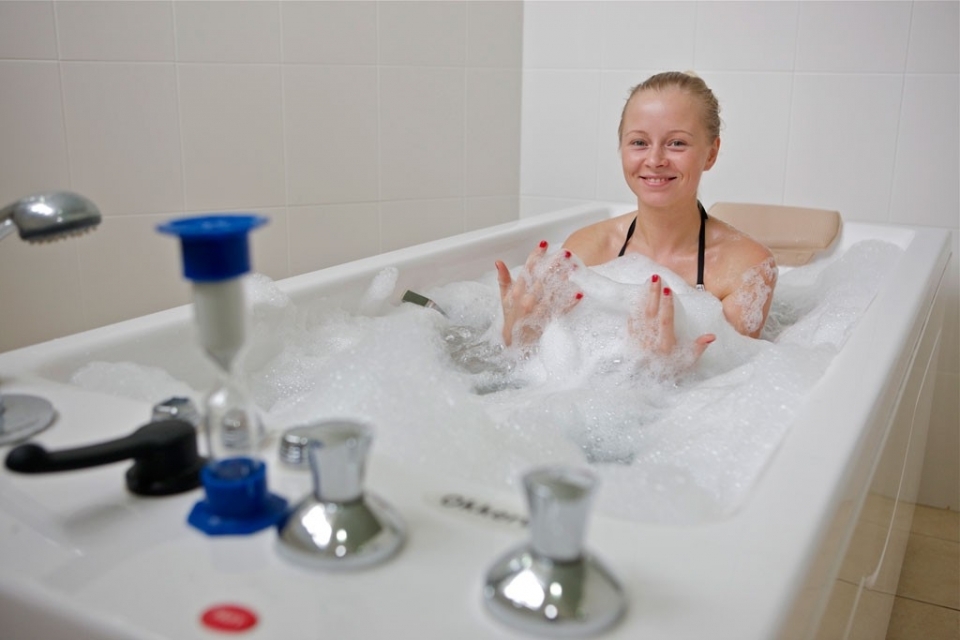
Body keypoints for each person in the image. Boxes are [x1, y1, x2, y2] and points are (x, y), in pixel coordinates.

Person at [496, 71, 777, 364]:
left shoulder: (747, 269)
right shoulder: (587, 249)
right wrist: (519, 337)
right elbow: (544, 370)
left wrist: (665, 372)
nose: (654, 160)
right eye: (639, 142)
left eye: (677, 143)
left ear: (711, 154)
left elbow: (736, 379)